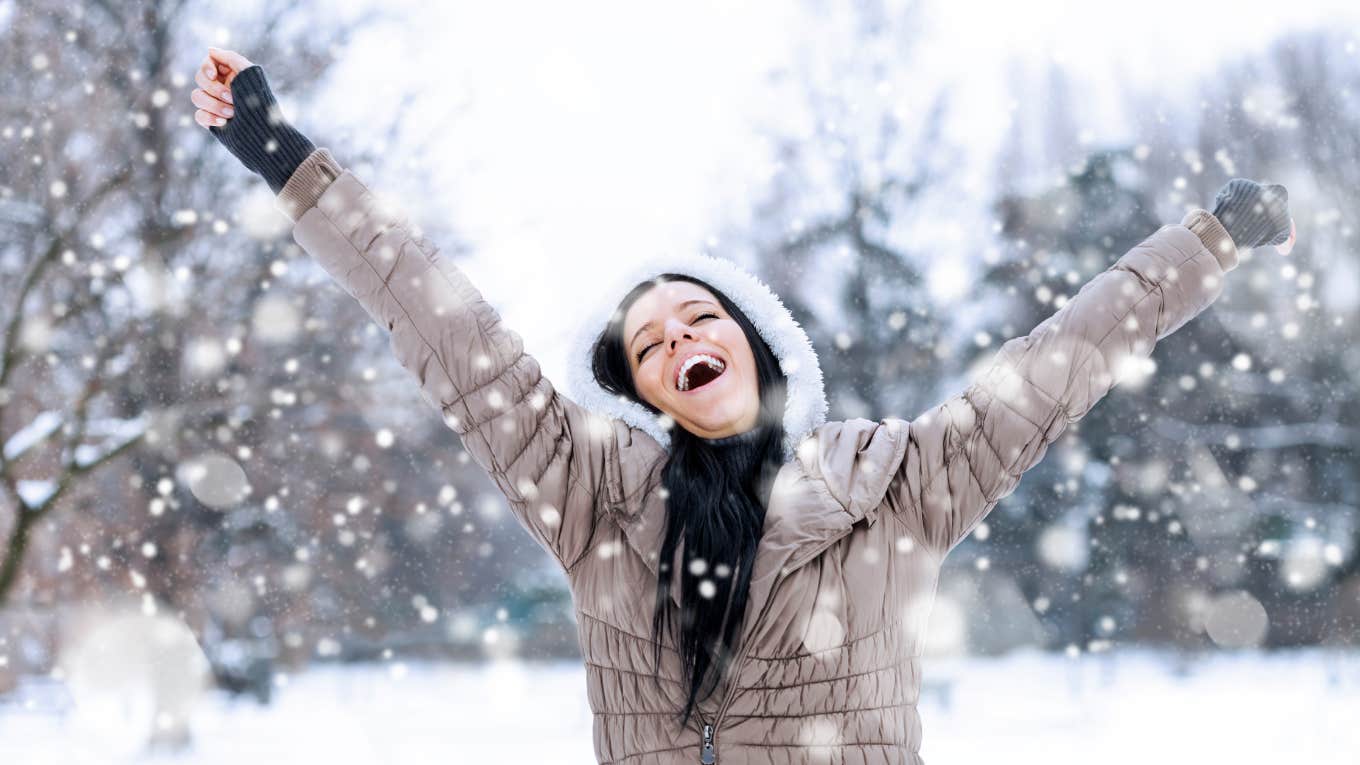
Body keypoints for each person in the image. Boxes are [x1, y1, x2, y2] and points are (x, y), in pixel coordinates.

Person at [192, 47, 1297, 764]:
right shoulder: (592, 498)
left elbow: (1058, 364)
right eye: (651, 344)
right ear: (643, 390)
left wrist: (1203, 244)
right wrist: (290, 163)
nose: (679, 340)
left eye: (698, 317)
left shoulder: (896, 485)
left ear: (759, 345)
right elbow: (447, 330)